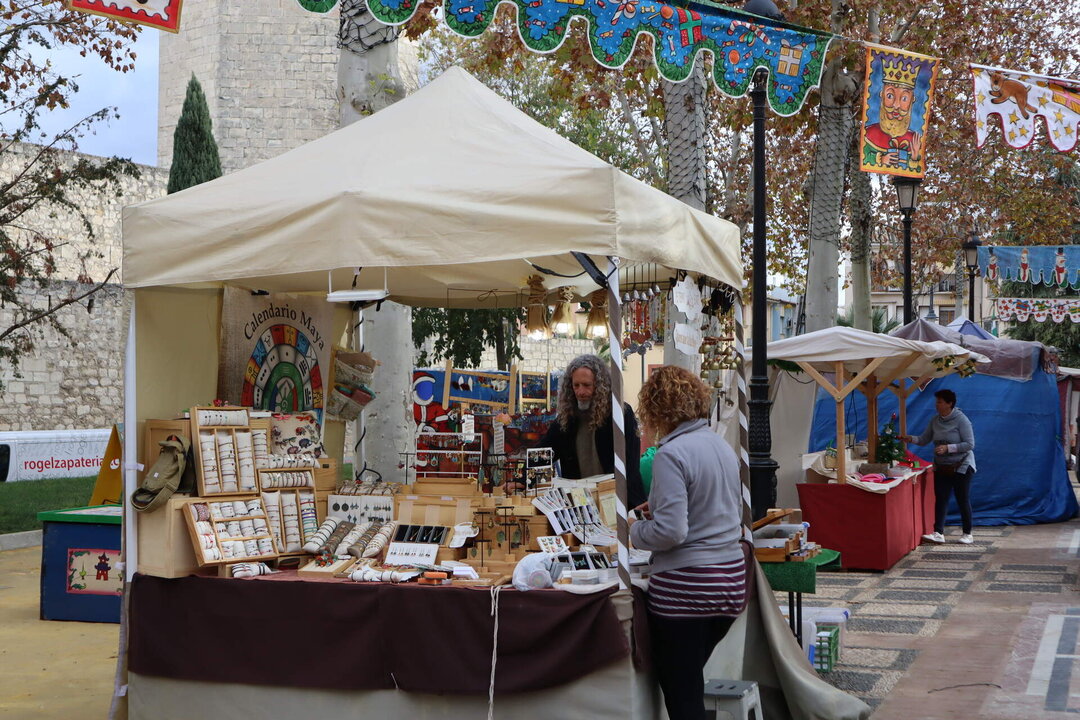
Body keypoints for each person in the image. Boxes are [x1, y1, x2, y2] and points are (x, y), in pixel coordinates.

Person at [629, 366, 748, 720]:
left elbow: (671, 533)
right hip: (730, 583)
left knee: (683, 698)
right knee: (689, 683)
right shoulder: (719, 445)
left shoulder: (671, 454)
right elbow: (719, 506)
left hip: (687, 589)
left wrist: (633, 531)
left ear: (656, 409)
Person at [535, 354, 646, 507]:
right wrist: (520, 479)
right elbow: (543, 453)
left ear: (600, 385)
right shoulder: (566, 418)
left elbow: (631, 465)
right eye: (576, 385)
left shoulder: (620, 414)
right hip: (581, 504)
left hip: (617, 500)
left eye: (587, 385)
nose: (581, 392)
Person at [903, 388, 976, 545]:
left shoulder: (962, 420)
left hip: (961, 465)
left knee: (962, 499)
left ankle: (967, 533)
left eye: (940, 402)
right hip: (942, 467)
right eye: (936, 401)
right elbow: (924, 439)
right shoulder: (935, 420)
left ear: (949, 404)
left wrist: (948, 448)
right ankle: (938, 532)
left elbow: (970, 444)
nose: (936, 405)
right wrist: (910, 439)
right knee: (941, 499)